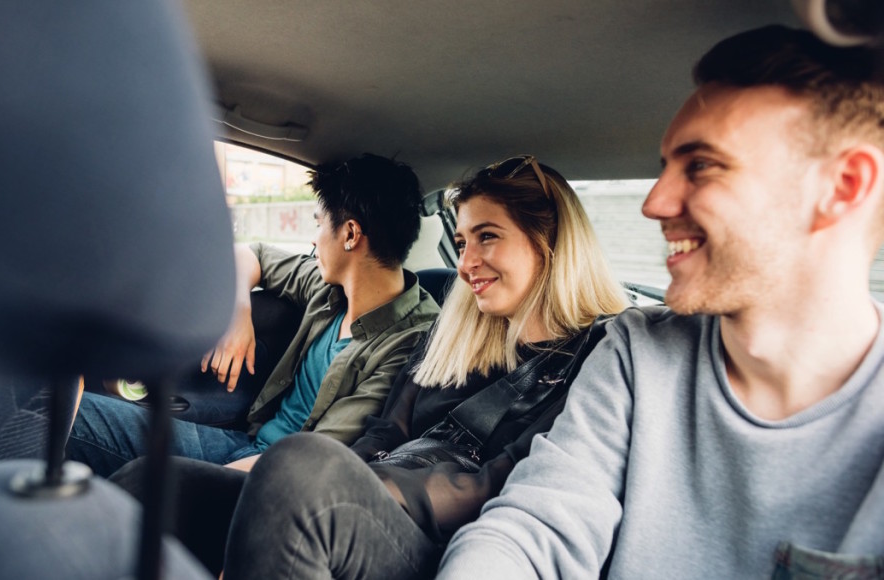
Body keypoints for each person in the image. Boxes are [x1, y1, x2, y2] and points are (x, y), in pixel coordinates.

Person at [438, 25, 884, 579]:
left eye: (700, 165)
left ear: (843, 187)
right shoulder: (635, 352)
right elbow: (537, 524)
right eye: (664, 168)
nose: (655, 202)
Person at [112, 155, 629, 578]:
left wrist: (361, 485)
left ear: (550, 242)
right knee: (155, 481)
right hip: (373, 495)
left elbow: (501, 482)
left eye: (487, 236)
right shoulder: (453, 337)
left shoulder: (598, 358)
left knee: (301, 468)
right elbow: (387, 429)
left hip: (446, 542)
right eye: (464, 240)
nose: (466, 261)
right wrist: (349, 478)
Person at [66, 153, 440, 476]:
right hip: (245, 442)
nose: (313, 238)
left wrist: (197, 482)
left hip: (274, 479)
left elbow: (319, 456)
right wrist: (238, 310)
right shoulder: (329, 288)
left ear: (350, 234)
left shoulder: (409, 342)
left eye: (317, 223)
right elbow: (252, 252)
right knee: (67, 412)